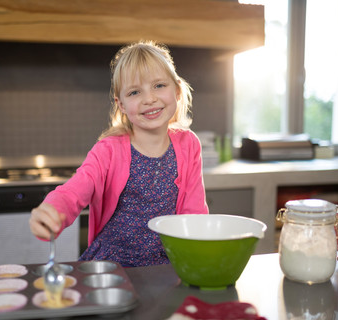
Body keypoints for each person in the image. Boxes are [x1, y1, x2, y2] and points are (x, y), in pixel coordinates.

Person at [29, 40, 209, 267]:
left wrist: (199, 255)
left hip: (167, 264)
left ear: (177, 91)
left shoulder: (188, 144)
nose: (149, 98)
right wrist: (52, 211)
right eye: (135, 92)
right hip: (111, 265)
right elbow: (74, 191)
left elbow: (194, 212)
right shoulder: (108, 150)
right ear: (121, 104)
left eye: (159, 86)